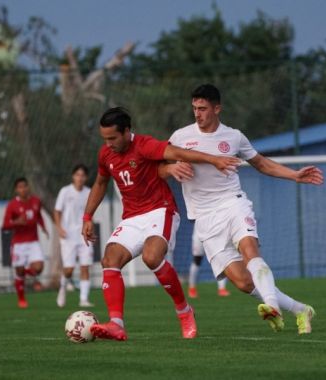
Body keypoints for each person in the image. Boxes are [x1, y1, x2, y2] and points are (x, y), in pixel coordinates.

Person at [161, 84, 324, 334]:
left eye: (202, 108)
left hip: (233, 203)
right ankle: (301, 310)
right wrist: (170, 169)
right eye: (194, 108)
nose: (197, 113)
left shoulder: (234, 136)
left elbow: (261, 164)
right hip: (204, 217)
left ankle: (271, 306)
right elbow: (158, 167)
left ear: (217, 108)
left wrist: (294, 175)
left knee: (250, 249)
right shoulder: (181, 136)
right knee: (243, 282)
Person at [81, 106, 240, 341]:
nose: (108, 143)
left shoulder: (144, 145)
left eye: (113, 138)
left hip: (160, 210)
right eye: (104, 139)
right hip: (132, 216)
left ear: (127, 131)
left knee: (152, 257)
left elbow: (179, 153)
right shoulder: (106, 154)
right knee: (109, 259)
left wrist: (213, 159)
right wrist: (87, 217)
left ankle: (185, 311)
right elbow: (101, 183)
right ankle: (116, 324)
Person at [2, 177, 49, 308]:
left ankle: (26, 274)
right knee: (19, 271)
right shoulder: (12, 205)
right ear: (16, 190)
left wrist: (43, 226)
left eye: (25, 186)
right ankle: (21, 299)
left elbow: (38, 216)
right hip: (18, 243)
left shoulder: (35, 201)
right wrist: (17, 222)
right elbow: (5, 225)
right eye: (20, 187)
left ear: (28, 187)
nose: (23, 189)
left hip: (33, 241)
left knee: (39, 268)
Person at [54, 164, 94, 308]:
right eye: (77, 175)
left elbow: (91, 214)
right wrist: (59, 228)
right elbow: (57, 211)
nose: (80, 178)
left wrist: (90, 228)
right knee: (69, 269)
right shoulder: (65, 191)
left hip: (83, 235)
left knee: (85, 266)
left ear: (86, 178)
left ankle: (83, 299)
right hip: (68, 236)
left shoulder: (89, 192)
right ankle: (63, 287)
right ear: (73, 176)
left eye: (82, 175)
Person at [188, 226, 230, 298]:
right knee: (197, 259)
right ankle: (192, 288)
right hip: (199, 234)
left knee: (220, 259)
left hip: (214, 233)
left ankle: (222, 289)